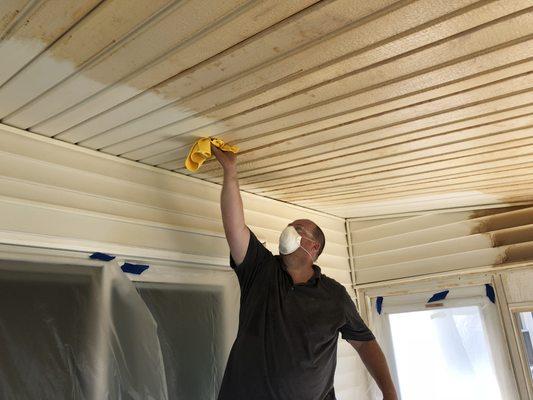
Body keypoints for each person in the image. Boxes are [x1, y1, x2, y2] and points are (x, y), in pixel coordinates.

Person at [212, 145, 397, 400]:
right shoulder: (261, 270)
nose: (289, 230)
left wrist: (390, 393)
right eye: (289, 226)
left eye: (298, 228)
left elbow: (364, 342)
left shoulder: (334, 295)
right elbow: (235, 228)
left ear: (313, 246)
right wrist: (230, 172)